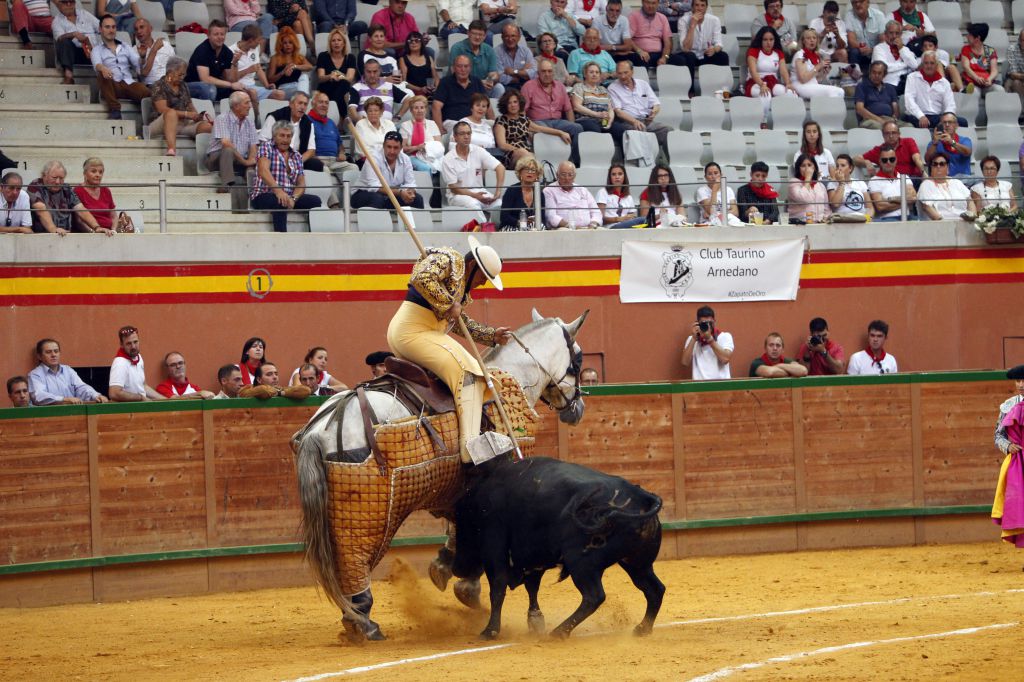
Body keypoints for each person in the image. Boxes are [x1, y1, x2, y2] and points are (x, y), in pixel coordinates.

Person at [385, 235, 513, 463]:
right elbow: (421, 277)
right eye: (484, 278)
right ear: (473, 266)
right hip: (413, 332)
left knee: (474, 369)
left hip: (424, 334)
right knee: (471, 373)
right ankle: (469, 448)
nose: (483, 284)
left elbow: (461, 324)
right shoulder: (449, 259)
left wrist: (491, 335)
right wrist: (447, 303)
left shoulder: (461, 289)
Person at [250, 120, 322, 232]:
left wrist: (294, 198)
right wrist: (278, 191)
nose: (285, 139)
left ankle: (312, 239)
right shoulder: (266, 147)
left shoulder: (296, 155)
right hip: (264, 194)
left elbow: (301, 183)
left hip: (288, 195)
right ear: (274, 136)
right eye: (282, 136)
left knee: (316, 201)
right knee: (281, 202)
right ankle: (282, 239)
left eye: (288, 136)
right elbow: (263, 171)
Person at [522, 59, 584, 164]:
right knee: (544, 130)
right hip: (538, 121)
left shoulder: (560, 86)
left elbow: (568, 109)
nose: (547, 74)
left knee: (577, 128)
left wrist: (571, 123)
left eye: (549, 71)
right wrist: (527, 128)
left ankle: (574, 163)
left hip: (557, 121)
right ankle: (545, 162)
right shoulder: (528, 86)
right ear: (538, 73)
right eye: (543, 71)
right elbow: (522, 112)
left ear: (553, 73)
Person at [149, 56, 214, 157]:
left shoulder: (183, 86)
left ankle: (208, 157)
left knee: (207, 127)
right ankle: (171, 150)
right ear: (170, 72)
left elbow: (189, 105)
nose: (182, 77)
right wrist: (187, 114)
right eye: (180, 75)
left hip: (183, 123)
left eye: (183, 74)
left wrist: (197, 116)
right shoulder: (158, 85)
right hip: (162, 122)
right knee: (171, 113)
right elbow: (162, 109)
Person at [608, 60, 671, 161]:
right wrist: (634, 121)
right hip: (628, 122)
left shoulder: (643, 84)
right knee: (640, 131)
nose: (623, 76)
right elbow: (618, 112)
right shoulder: (613, 88)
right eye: (619, 73)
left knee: (668, 131)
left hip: (647, 121)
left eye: (625, 72)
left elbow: (656, 104)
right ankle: (644, 164)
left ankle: (669, 163)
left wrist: (653, 112)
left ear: (632, 72)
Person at [443, 122, 505, 224]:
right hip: (457, 195)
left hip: (480, 191)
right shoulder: (448, 158)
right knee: (473, 203)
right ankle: (484, 229)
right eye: (462, 134)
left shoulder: (478, 151)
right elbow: (454, 188)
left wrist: (498, 192)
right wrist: (475, 196)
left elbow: (500, 167)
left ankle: (496, 229)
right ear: (455, 137)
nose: (466, 137)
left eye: (469, 133)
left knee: (499, 204)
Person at [91, 13, 149, 120]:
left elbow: (137, 63)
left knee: (147, 92)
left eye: (113, 27)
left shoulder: (125, 46)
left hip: (128, 83)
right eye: (107, 27)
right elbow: (97, 64)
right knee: (101, 74)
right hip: (112, 84)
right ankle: (115, 110)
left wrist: (142, 57)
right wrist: (103, 68)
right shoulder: (97, 49)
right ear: (100, 29)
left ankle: (152, 117)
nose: (111, 30)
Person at [992, 364, 1024, 553]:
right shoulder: (1009, 405)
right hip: (1018, 463)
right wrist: (1008, 447)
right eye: (1018, 381)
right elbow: (998, 435)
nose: (1021, 384)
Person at [495, 89, 569, 169]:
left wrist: (560, 132)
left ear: (520, 103)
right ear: (505, 105)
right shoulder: (501, 120)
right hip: (510, 155)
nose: (513, 105)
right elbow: (502, 145)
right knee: (527, 156)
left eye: (515, 102)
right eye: (509, 103)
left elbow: (540, 129)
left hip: (527, 154)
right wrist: (520, 151)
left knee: (531, 157)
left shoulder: (523, 119)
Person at [351, 130, 423, 210]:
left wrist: (410, 193)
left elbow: (410, 183)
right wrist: (400, 192)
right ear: (383, 146)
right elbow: (374, 187)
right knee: (378, 199)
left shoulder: (405, 159)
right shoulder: (373, 158)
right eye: (389, 147)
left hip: (390, 195)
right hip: (362, 193)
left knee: (417, 199)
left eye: (396, 148)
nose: (392, 151)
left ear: (401, 148)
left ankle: (412, 223)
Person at [28, 160, 103, 235]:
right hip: (44, 236)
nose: (58, 182)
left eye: (61, 178)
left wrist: (96, 227)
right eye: (54, 178)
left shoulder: (66, 188)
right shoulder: (35, 186)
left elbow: (80, 209)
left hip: (66, 235)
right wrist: (54, 230)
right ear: (44, 175)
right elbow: (40, 209)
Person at [207, 91, 260, 196]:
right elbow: (226, 144)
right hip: (216, 159)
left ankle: (254, 193)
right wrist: (245, 162)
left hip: (239, 160)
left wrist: (251, 160)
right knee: (228, 150)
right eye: (246, 103)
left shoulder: (249, 121)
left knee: (261, 157)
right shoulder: (222, 119)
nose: (250, 106)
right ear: (236, 106)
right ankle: (225, 185)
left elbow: (254, 144)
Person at [28, 338, 108, 404]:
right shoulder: (35, 375)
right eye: (48, 352)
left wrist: (95, 395)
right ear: (39, 356)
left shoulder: (68, 370)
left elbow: (81, 387)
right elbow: (39, 396)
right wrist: (64, 399)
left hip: (73, 414)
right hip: (48, 416)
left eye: (56, 351)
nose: (53, 355)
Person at [308, 91, 358, 196]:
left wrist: (341, 153)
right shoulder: (307, 121)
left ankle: (350, 203)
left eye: (326, 103)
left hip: (335, 161)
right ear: (313, 104)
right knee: (324, 171)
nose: (324, 105)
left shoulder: (331, 122)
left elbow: (340, 145)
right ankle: (333, 204)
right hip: (318, 160)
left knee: (353, 169)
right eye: (321, 102)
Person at [667, 0, 728, 86]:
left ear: (706, 8)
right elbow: (686, 48)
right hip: (689, 55)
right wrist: (692, 25)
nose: (699, 8)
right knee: (689, 56)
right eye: (697, 5)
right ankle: (690, 91)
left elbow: (719, 44)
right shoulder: (683, 20)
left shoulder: (714, 20)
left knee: (723, 56)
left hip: (705, 54)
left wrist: (714, 49)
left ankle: (721, 89)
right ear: (692, 7)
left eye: (702, 6)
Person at [744, 26, 798, 122]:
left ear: (775, 40)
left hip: (772, 83)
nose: (768, 43)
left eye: (771, 39)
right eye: (765, 40)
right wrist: (762, 85)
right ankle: (763, 121)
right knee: (766, 94)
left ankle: (788, 120)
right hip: (755, 83)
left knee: (792, 93)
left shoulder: (778, 53)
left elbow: (783, 71)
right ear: (760, 40)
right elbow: (753, 72)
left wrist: (788, 83)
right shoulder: (754, 51)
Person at [260, 91, 322, 171]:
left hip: (297, 159)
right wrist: (281, 159)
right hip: (276, 157)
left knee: (317, 165)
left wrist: (297, 162)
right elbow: (263, 142)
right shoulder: (275, 117)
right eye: (300, 103)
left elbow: (311, 150)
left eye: (305, 104)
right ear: (291, 104)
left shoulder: (308, 123)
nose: (302, 107)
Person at [902, 51, 963, 129]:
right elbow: (909, 101)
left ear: (937, 65)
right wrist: (921, 116)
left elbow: (950, 104)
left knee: (962, 122)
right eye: (926, 63)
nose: (929, 66)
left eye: (932, 63)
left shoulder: (944, 82)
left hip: (937, 117)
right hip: (917, 116)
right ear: (922, 64)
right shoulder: (912, 78)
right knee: (914, 121)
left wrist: (947, 118)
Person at [185, 20, 239, 102]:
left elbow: (231, 80)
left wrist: (234, 64)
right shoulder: (202, 50)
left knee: (239, 93)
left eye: (222, 34)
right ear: (209, 35)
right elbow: (205, 79)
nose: (220, 37)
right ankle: (208, 114)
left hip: (213, 85)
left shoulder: (227, 52)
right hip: (193, 85)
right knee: (209, 89)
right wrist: (231, 85)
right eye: (216, 34)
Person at [109, 325, 165, 401]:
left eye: (135, 342)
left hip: (140, 408)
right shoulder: (120, 362)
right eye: (129, 343)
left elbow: (143, 386)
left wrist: (165, 399)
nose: (133, 347)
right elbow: (114, 393)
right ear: (121, 345)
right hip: (128, 411)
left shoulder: (138, 357)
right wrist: (141, 398)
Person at [230, 25, 281, 109]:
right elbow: (231, 79)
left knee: (279, 94)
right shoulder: (231, 51)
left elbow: (258, 68)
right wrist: (248, 70)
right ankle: (257, 120)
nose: (260, 42)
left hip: (253, 86)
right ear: (251, 40)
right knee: (253, 93)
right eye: (258, 40)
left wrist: (267, 85)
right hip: (239, 87)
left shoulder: (255, 48)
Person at [432, 54, 487, 132]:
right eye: (459, 66)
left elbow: (487, 105)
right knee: (467, 130)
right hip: (452, 122)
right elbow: (436, 106)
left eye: (466, 66)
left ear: (470, 68)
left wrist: (492, 122)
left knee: (493, 126)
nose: (463, 69)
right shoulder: (445, 82)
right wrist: (439, 129)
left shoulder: (476, 81)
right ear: (453, 68)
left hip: (474, 121)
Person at [450, 20, 504, 98]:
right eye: (474, 34)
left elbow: (494, 73)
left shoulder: (489, 50)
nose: (477, 37)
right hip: (462, 86)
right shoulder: (457, 48)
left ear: (485, 36)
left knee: (499, 88)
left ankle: (492, 110)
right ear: (468, 33)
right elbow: (454, 74)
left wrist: (491, 79)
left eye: (481, 34)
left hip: (483, 87)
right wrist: (478, 82)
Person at [854, 120, 926, 179]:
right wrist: (866, 162)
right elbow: (854, 159)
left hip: (913, 178)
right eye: (887, 133)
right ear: (883, 135)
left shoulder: (909, 142)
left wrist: (924, 173)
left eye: (893, 133)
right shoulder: (879, 150)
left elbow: (917, 159)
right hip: (891, 181)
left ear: (899, 134)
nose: (891, 136)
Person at [52, 0, 100, 85]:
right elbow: (59, 38)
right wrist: (73, 34)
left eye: (71, 2)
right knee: (64, 41)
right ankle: (69, 76)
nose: (69, 4)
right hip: (75, 55)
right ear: (59, 4)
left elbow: (101, 27)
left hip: (93, 51)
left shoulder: (85, 14)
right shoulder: (57, 21)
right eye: (65, 2)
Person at [681, 305, 734, 381]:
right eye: (704, 323)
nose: (708, 326)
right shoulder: (692, 339)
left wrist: (710, 339)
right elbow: (685, 362)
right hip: (699, 386)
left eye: (710, 323)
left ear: (714, 321)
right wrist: (693, 338)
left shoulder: (724, 337)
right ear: (698, 323)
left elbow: (725, 359)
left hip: (722, 385)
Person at [791, 28, 845, 101]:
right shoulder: (800, 55)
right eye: (808, 38)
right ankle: (829, 112)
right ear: (803, 41)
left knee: (839, 92)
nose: (812, 40)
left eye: (814, 38)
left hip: (812, 84)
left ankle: (826, 111)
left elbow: (816, 79)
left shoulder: (816, 56)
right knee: (838, 91)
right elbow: (803, 79)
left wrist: (824, 73)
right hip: (800, 85)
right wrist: (819, 65)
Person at [543, 161, 600, 229]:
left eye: (570, 175)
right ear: (557, 175)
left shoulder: (582, 190)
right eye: (563, 174)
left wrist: (593, 224)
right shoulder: (549, 190)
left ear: (574, 176)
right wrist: (572, 226)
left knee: (603, 232)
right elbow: (551, 216)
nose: (567, 178)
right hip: (564, 228)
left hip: (588, 228)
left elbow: (596, 212)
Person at [867, 144, 917, 221]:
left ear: (896, 160)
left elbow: (913, 198)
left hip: (908, 217)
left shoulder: (904, 177)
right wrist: (904, 201)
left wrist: (892, 199)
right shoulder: (874, 181)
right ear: (880, 161)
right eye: (884, 160)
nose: (888, 162)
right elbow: (881, 207)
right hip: (887, 219)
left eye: (892, 159)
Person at [571, 62, 617, 143]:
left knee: (620, 130)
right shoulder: (579, 87)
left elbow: (610, 108)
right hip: (585, 120)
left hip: (603, 121)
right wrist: (596, 114)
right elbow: (576, 106)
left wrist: (609, 121)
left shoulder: (603, 89)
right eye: (591, 72)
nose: (594, 74)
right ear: (585, 74)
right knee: (595, 129)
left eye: (597, 72)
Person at [917, 152, 971, 220]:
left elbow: (970, 202)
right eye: (935, 164)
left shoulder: (957, 183)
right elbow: (927, 207)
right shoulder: (926, 185)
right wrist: (945, 225)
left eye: (942, 164)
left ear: (948, 167)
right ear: (931, 168)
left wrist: (972, 218)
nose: (938, 166)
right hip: (940, 225)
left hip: (964, 223)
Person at [871, 20, 919, 94]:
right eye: (891, 33)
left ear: (901, 35)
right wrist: (904, 64)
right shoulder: (878, 48)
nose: (894, 36)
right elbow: (884, 68)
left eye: (897, 33)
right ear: (885, 34)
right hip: (888, 84)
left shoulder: (905, 49)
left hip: (906, 83)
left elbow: (914, 65)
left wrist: (901, 49)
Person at [855, 61, 906, 129]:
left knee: (908, 127)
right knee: (879, 127)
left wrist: (894, 119)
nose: (876, 75)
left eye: (879, 73)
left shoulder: (890, 88)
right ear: (870, 73)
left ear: (884, 75)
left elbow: (895, 108)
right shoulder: (862, 86)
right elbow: (859, 109)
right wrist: (879, 120)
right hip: (869, 120)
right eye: (874, 72)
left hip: (888, 120)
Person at [316, 27, 357, 110]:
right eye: (333, 41)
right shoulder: (323, 56)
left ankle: (334, 110)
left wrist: (339, 75)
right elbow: (320, 78)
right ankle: (339, 115)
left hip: (343, 90)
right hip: (326, 89)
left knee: (344, 83)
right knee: (342, 85)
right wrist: (330, 76)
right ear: (330, 44)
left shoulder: (350, 58)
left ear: (344, 43)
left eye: (339, 40)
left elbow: (349, 78)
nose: (336, 43)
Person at [400, 95, 444, 173]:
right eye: (416, 108)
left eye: (422, 107)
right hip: (412, 156)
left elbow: (439, 145)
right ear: (411, 110)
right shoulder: (405, 125)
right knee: (425, 168)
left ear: (426, 109)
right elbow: (402, 148)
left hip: (432, 156)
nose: (419, 110)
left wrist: (427, 148)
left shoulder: (432, 124)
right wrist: (418, 147)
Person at [498, 155, 543, 231]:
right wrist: (520, 222)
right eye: (526, 169)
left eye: (533, 170)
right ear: (520, 173)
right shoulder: (511, 190)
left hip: (533, 227)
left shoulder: (539, 193)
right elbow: (504, 217)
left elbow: (543, 217)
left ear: (537, 175)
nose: (530, 172)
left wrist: (535, 220)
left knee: (541, 228)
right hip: (512, 226)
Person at [73, 158, 117, 234]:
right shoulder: (77, 191)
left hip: (109, 233)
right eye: (93, 171)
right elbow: (78, 220)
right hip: (89, 234)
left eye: (100, 172)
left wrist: (113, 230)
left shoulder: (106, 190)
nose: (98, 175)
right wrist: (93, 233)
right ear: (85, 173)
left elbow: (114, 216)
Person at [267, 27, 313, 100]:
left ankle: (301, 96)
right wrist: (283, 72)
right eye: (285, 43)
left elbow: (310, 67)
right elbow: (270, 79)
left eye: (290, 42)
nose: (288, 45)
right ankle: (302, 97)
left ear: (294, 44)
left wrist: (294, 66)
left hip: (297, 86)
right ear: (281, 45)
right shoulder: (275, 58)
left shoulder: (299, 57)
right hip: (283, 89)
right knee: (302, 91)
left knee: (304, 77)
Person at [924, 112, 973, 178]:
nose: (947, 125)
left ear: (956, 125)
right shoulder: (934, 143)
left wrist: (951, 142)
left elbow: (967, 152)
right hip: (942, 181)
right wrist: (935, 144)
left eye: (950, 122)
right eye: (944, 122)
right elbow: (927, 161)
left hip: (963, 181)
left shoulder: (965, 140)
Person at [960, 23, 1003, 97]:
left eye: (969, 35)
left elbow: (994, 70)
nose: (967, 36)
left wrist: (989, 79)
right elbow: (966, 67)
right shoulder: (966, 49)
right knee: (974, 93)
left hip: (986, 84)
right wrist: (976, 78)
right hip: (972, 83)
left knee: (999, 90)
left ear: (977, 38)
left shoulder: (990, 51)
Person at [595, 163, 641, 229]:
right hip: (610, 227)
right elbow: (599, 218)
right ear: (610, 177)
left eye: (620, 174)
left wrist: (630, 218)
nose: (617, 177)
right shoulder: (603, 192)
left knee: (644, 222)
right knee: (642, 220)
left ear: (624, 177)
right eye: (613, 174)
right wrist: (619, 219)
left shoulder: (628, 197)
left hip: (626, 226)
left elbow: (633, 216)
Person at [788, 153, 831, 224]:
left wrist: (825, 219)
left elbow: (826, 209)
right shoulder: (793, 183)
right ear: (798, 168)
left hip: (820, 225)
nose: (807, 169)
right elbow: (804, 199)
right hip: (800, 225)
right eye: (803, 166)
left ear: (814, 167)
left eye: (809, 165)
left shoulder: (820, 185)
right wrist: (808, 178)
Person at [846, 0, 887, 71]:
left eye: (861, 2)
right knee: (854, 52)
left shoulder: (879, 15)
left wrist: (871, 50)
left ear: (868, 3)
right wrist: (862, 47)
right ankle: (853, 77)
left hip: (875, 51)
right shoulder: (849, 15)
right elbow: (851, 40)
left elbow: (883, 41)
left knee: (882, 50)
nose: (857, 4)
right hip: (859, 51)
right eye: (854, 2)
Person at [829, 154, 874, 220]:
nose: (839, 168)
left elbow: (870, 207)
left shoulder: (860, 183)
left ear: (850, 168)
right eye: (837, 166)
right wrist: (841, 183)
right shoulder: (832, 184)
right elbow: (835, 204)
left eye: (843, 165)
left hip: (861, 220)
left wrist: (867, 218)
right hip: (842, 221)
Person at [628, 0, 672, 67]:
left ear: (658, 4)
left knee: (680, 60)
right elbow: (627, 39)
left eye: (654, 3)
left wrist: (664, 57)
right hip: (640, 54)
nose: (651, 6)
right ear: (642, 2)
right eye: (648, 3)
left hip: (659, 54)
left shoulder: (662, 18)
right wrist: (639, 51)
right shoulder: (633, 16)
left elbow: (668, 44)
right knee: (643, 60)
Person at [133, 17, 175, 87]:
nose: (139, 31)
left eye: (142, 27)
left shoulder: (165, 44)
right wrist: (154, 49)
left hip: (171, 82)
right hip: (153, 85)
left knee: (199, 86)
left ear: (150, 29)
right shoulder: (134, 50)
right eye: (136, 29)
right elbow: (144, 74)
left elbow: (175, 65)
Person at [353, 97, 398, 161]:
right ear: (366, 112)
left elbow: (396, 143)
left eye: (376, 110)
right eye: (370, 111)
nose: (373, 113)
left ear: (381, 112)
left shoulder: (389, 124)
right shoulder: (360, 125)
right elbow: (362, 150)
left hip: (389, 158)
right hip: (368, 160)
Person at [495, 24, 535, 90]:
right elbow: (500, 76)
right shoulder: (496, 52)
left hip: (526, 84)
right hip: (506, 86)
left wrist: (514, 71)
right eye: (506, 36)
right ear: (502, 37)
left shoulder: (526, 51)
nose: (510, 39)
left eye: (513, 36)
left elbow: (533, 72)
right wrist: (522, 73)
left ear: (519, 37)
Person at [400, 31, 439, 97]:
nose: (413, 43)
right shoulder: (403, 59)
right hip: (413, 92)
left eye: (417, 40)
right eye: (410, 41)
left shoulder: (429, 58)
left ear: (421, 43)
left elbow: (435, 77)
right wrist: (420, 89)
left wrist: (437, 88)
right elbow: (404, 82)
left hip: (429, 90)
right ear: (407, 43)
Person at [1005, 30, 1024, 123]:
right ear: (1019, 40)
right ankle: (1020, 115)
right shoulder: (1012, 49)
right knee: (1016, 83)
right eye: (1023, 40)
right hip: (1013, 79)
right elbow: (1013, 73)